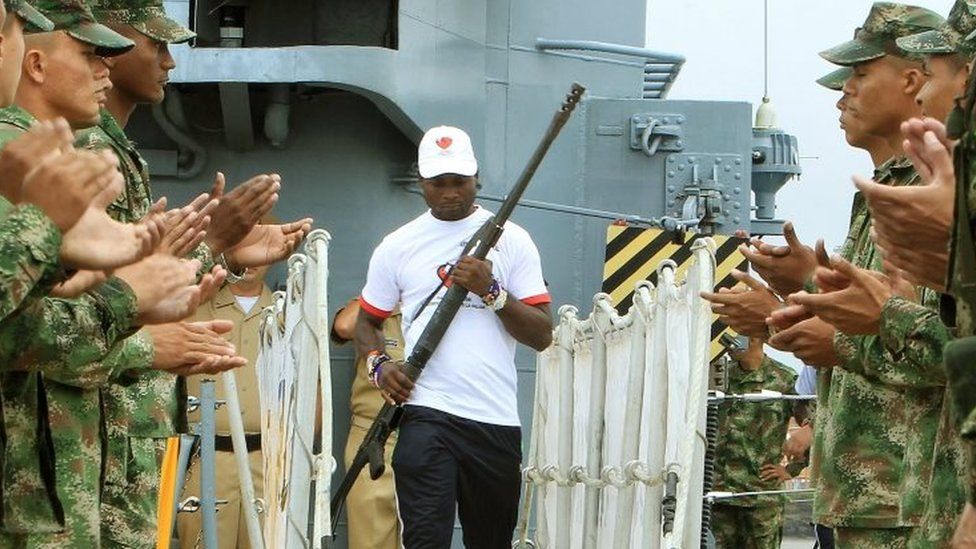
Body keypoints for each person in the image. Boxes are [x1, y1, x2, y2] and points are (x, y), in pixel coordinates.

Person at [80, 1, 313, 543]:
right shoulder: (89, 148)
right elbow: (94, 299)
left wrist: (226, 255)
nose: (169, 62)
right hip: (95, 436)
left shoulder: (117, 151)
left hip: (126, 431)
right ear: (109, 44)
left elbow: (135, 287)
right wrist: (214, 238)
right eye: (155, 45)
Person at [356, 125, 552, 548]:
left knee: (491, 541)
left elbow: (542, 334)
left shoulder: (513, 242)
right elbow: (366, 320)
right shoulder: (398, 245)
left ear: (476, 178)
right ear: (421, 182)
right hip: (428, 414)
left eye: (459, 182)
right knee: (425, 540)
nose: (449, 193)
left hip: (494, 420)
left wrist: (493, 292)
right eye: (437, 183)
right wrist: (379, 365)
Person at [178, 263, 274, 549]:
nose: (251, 262)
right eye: (242, 249)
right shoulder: (195, 307)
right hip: (207, 456)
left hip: (268, 461)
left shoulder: (288, 312)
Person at [711, 338, 796, 549]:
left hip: (761, 498)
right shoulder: (718, 377)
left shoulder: (784, 379)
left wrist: (791, 469)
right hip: (720, 495)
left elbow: (815, 424)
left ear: (755, 337)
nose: (727, 343)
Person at [332, 298, 403, 549]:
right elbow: (343, 326)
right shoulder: (380, 302)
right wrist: (392, 289)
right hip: (375, 436)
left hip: (430, 435)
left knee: (424, 537)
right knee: (371, 540)